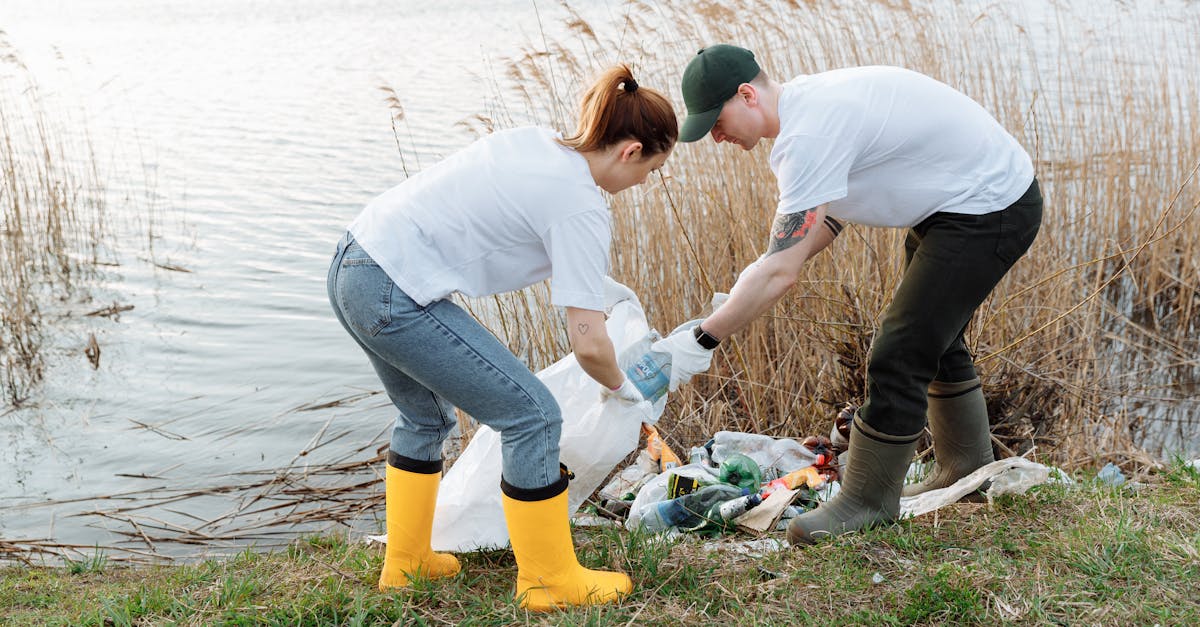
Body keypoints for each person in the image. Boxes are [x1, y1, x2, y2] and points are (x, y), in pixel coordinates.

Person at [652, 45, 1043, 544]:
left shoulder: (806, 135)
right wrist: (753, 279)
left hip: (989, 206)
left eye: (717, 122)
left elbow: (781, 272)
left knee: (900, 349)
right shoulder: (811, 109)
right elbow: (820, 225)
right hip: (955, 206)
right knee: (931, 337)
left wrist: (704, 339)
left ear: (747, 95)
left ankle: (868, 500)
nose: (717, 136)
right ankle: (967, 466)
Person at [327, 65, 677, 609]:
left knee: (425, 418)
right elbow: (588, 342)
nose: (645, 181)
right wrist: (624, 390)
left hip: (355, 264)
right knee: (533, 416)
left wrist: (603, 289)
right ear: (630, 151)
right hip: (395, 290)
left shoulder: (536, 144)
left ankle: (406, 562)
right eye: (652, 169)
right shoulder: (582, 205)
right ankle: (549, 580)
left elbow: (519, 232)